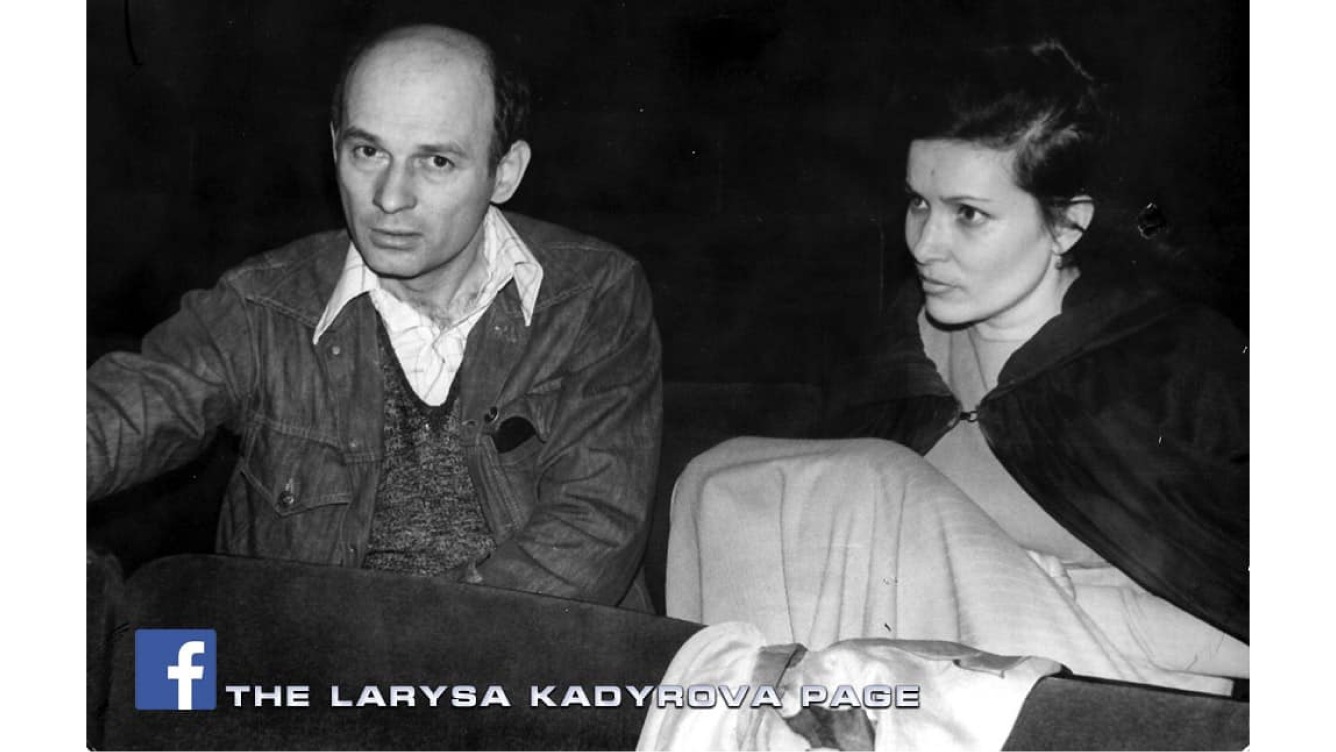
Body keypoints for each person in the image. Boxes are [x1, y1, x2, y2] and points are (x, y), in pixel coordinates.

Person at [667, 39, 1246, 693]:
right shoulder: (897, 352)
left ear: (1067, 225)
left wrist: (1018, 590)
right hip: (895, 693)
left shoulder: (1176, 363)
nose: (925, 245)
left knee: (867, 481)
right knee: (725, 481)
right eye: (918, 203)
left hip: (1103, 704)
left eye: (968, 214)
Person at [87, 24, 663, 610]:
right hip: (306, 660)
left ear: (506, 172)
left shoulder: (593, 296)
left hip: (523, 654)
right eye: (368, 152)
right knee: (153, 647)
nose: (389, 198)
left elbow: (592, 531)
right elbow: (124, 411)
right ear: (334, 145)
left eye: (436, 161)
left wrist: (395, 649)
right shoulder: (260, 306)